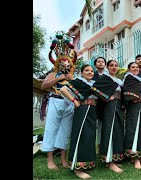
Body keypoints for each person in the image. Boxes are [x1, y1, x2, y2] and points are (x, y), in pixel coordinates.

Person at [40, 34, 77, 170]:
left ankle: (63, 159)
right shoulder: (53, 74)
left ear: (70, 64)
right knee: (51, 129)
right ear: (58, 64)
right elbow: (44, 86)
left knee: (65, 131)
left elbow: (78, 89)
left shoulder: (72, 76)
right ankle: (50, 160)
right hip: (55, 101)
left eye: (67, 63)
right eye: (62, 63)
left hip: (69, 103)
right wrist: (58, 78)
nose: (65, 65)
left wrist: (71, 79)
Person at [60, 64, 97, 179]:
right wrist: (74, 101)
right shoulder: (78, 82)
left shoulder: (94, 84)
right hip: (82, 110)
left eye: (92, 71)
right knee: (81, 136)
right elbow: (63, 89)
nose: (90, 72)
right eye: (87, 70)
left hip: (92, 111)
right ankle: (77, 168)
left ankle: (86, 163)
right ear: (81, 73)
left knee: (90, 136)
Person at [93, 60, 125, 173]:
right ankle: (109, 161)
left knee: (117, 130)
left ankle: (113, 158)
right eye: (111, 65)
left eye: (116, 65)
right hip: (109, 107)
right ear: (107, 67)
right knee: (109, 130)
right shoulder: (104, 78)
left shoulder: (119, 81)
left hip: (118, 106)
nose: (114, 67)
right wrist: (106, 97)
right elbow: (95, 89)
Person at [123, 62, 141, 169]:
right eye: (133, 67)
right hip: (134, 107)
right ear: (129, 69)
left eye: (137, 67)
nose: (135, 68)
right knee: (133, 128)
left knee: (140, 128)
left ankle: (138, 153)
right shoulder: (129, 78)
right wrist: (134, 98)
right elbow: (127, 93)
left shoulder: (139, 80)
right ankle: (135, 157)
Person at [92, 57, 107, 154]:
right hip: (93, 102)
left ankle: (100, 145)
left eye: (102, 62)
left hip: (104, 103)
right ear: (95, 64)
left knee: (102, 125)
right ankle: (89, 145)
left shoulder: (108, 75)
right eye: (99, 61)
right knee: (91, 124)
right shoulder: (91, 74)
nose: (101, 63)